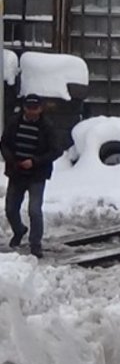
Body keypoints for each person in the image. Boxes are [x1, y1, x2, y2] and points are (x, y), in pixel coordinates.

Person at [0, 94, 63, 258]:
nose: (32, 112)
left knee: (34, 210)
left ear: (41, 109)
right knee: (10, 209)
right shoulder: (14, 122)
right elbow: (4, 144)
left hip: (36, 174)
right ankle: (19, 230)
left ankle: (35, 244)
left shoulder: (47, 126)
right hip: (16, 172)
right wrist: (11, 159)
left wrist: (35, 161)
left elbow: (56, 150)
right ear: (24, 108)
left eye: (35, 109)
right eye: (29, 108)